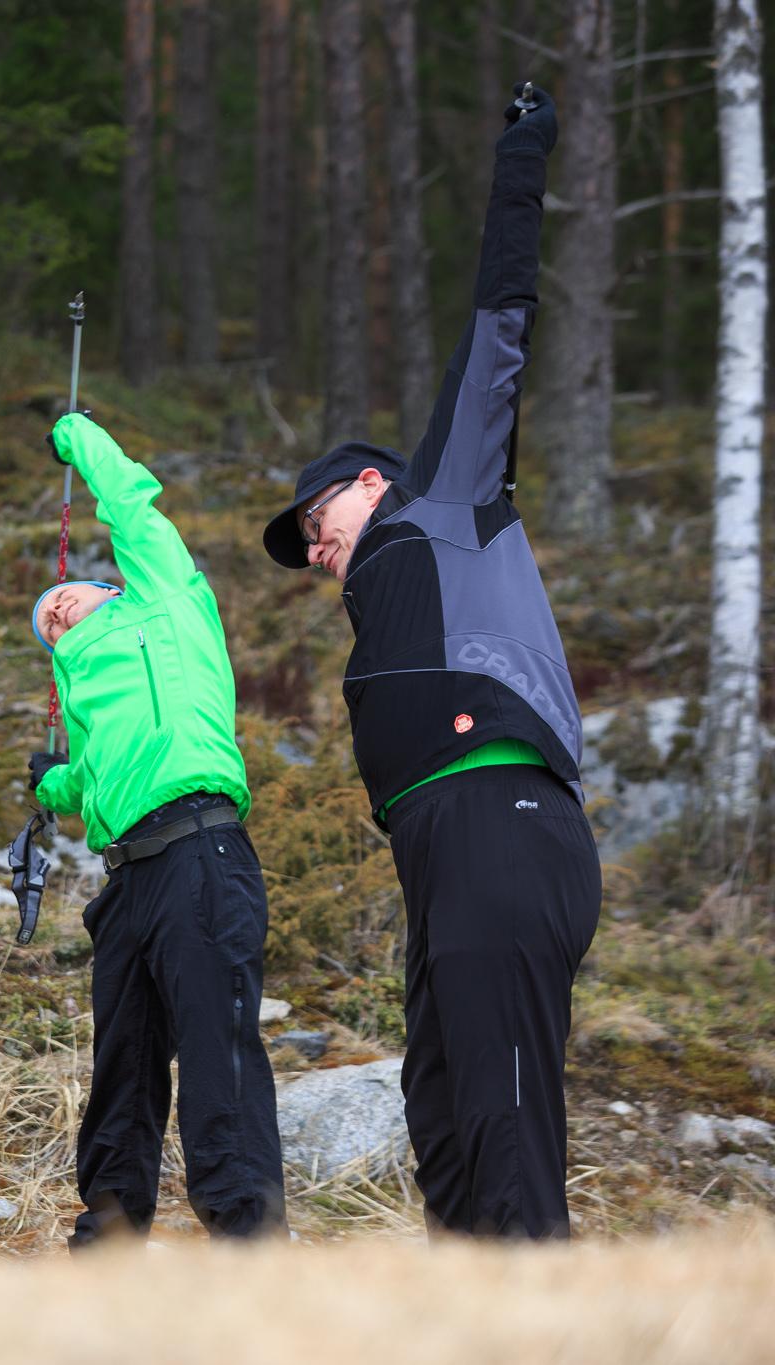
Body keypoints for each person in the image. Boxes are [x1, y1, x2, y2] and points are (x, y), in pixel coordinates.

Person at [258, 87, 597, 1239]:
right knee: (440, 1110)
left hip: (502, 817)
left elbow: (501, 317)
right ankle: (468, 1320)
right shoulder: (383, 598)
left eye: (314, 522)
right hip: (439, 851)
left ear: (365, 481)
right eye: (304, 551)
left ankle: (537, 1322)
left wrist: (519, 152)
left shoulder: (443, 497)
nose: (314, 550)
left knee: (500, 1111)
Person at [28, 412, 285, 1245]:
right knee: (123, 1068)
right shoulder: (86, 695)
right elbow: (96, 782)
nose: (54, 616)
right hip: (128, 876)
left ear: (112, 588)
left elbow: (134, 507)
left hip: (199, 847)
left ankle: (251, 1240)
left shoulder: (170, 604)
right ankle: (108, 1235)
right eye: (46, 628)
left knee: (218, 1046)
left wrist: (83, 437)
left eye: (62, 601)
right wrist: (52, 782)